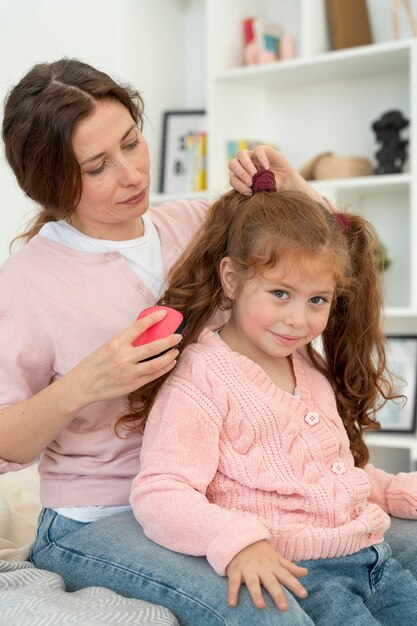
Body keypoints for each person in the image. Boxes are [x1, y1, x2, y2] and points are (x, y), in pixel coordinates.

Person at [0, 58, 332, 626]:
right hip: (97, 518)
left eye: (132, 143)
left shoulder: (200, 225)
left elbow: (320, 271)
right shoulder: (24, 282)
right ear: (49, 182)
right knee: (271, 612)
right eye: (98, 166)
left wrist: (296, 189)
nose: (131, 175)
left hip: (225, 500)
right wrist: (84, 386)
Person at [128, 170, 417, 625]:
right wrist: (238, 539)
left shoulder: (307, 367)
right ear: (230, 278)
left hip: (372, 557)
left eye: (317, 300)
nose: (297, 320)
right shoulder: (201, 378)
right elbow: (162, 491)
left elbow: (330, 471)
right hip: (310, 575)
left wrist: (397, 490)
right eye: (280, 293)